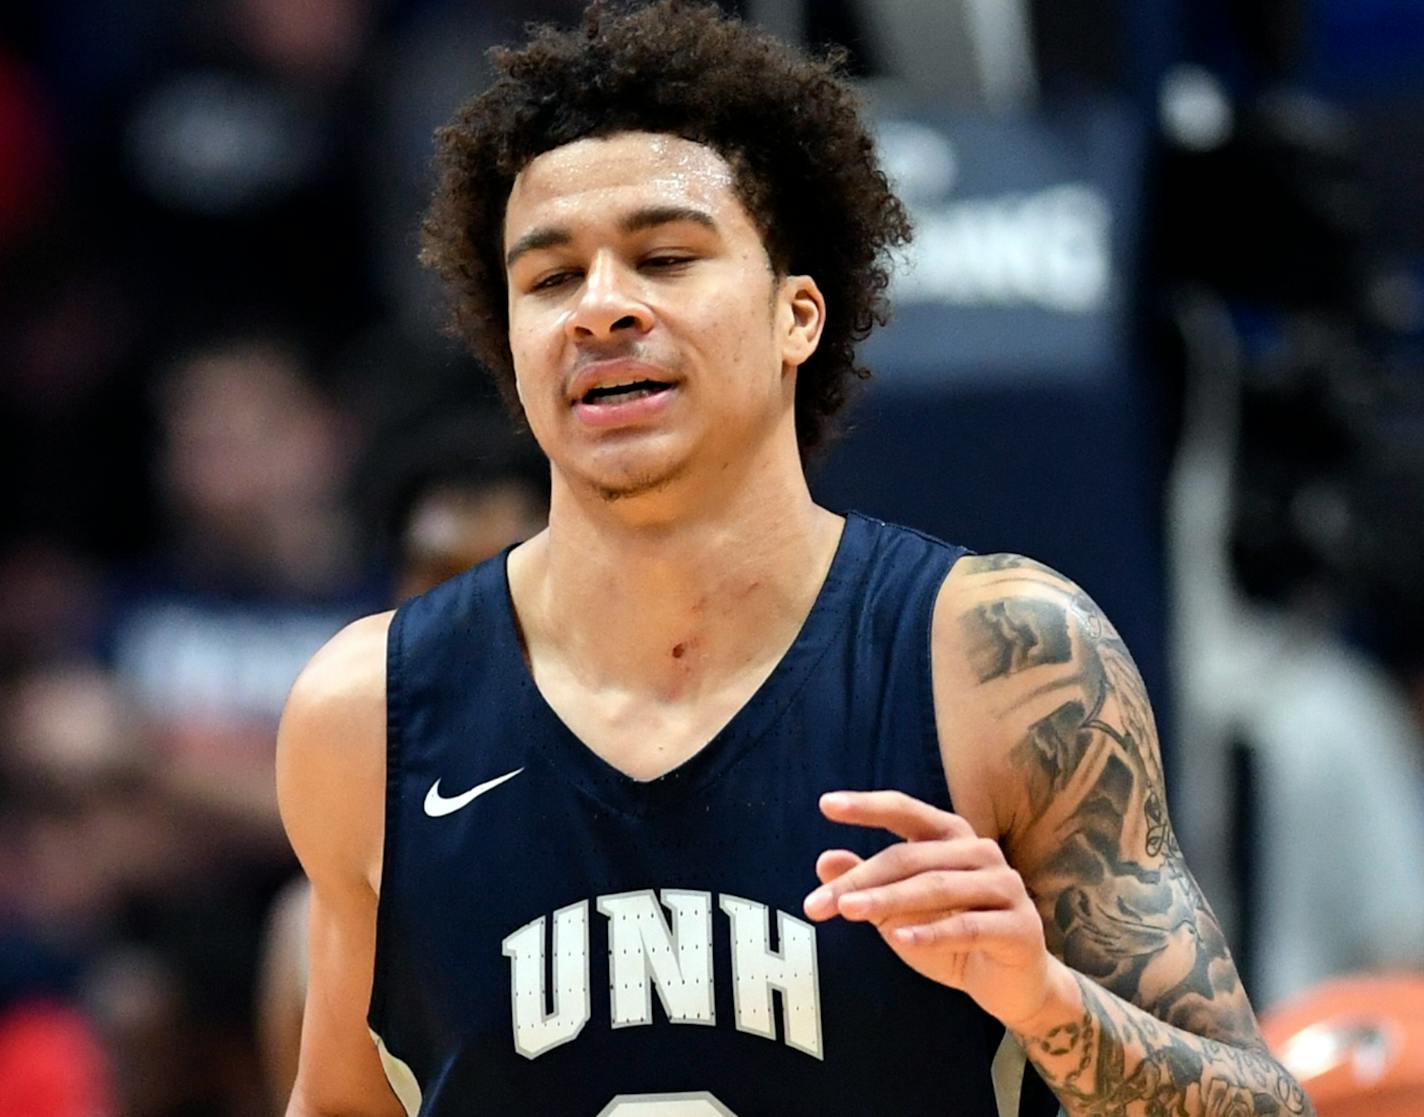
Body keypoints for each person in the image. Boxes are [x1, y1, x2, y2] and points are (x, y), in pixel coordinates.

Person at [276, 2, 1313, 1114]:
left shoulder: (1001, 659)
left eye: (665, 257)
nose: (602, 308)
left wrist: (1042, 995)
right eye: (549, 278)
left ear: (797, 315)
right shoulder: (364, 712)